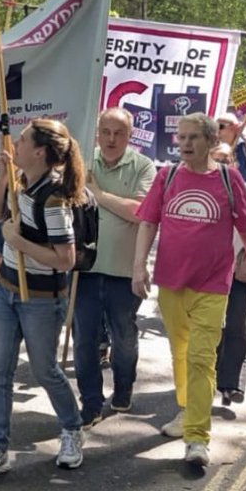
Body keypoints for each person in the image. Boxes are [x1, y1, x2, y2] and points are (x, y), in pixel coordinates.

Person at [132, 113, 246, 470]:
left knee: (200, 357)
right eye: (182, 137)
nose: (185, 144)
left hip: (213, 283)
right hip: (170, 281)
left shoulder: (229, 179)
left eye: (194, 137)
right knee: (180, 352)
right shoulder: (168, 176)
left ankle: (197, 436)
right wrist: (139, 267)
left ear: (212, 142)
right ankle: (186, 409)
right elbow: (148, 221)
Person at [0, 119, 88, 478]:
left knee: (44, 370)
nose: (13, 145)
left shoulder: (54, 198)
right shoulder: (21, 183)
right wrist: (3, 177)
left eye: (21, 141)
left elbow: (65, 259)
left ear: (40, 151)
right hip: (6, 289)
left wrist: (19, 244)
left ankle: (72, 428)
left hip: (40, 299)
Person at [73, 108, 156, 424]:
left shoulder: (142, 166)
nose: (111, 139)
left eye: (118, 133)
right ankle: (91, 402)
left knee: (123, 338)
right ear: (97, 132)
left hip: (124, 271)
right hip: (84, 270)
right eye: (105, 131)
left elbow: (140, 212)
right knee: (85, 340)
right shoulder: (82, 162)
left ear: (129, 135)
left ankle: (123, 387)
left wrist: (98, 194)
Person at [210, 143, 246, 405]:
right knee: (211, 325)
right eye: (217, 159)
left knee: (234, 323)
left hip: (237, 272)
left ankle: (232, 383)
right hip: (206, 271)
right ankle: (209, 376)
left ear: (234, 163)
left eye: (227, 159)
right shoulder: (201, 189)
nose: (222, 163)